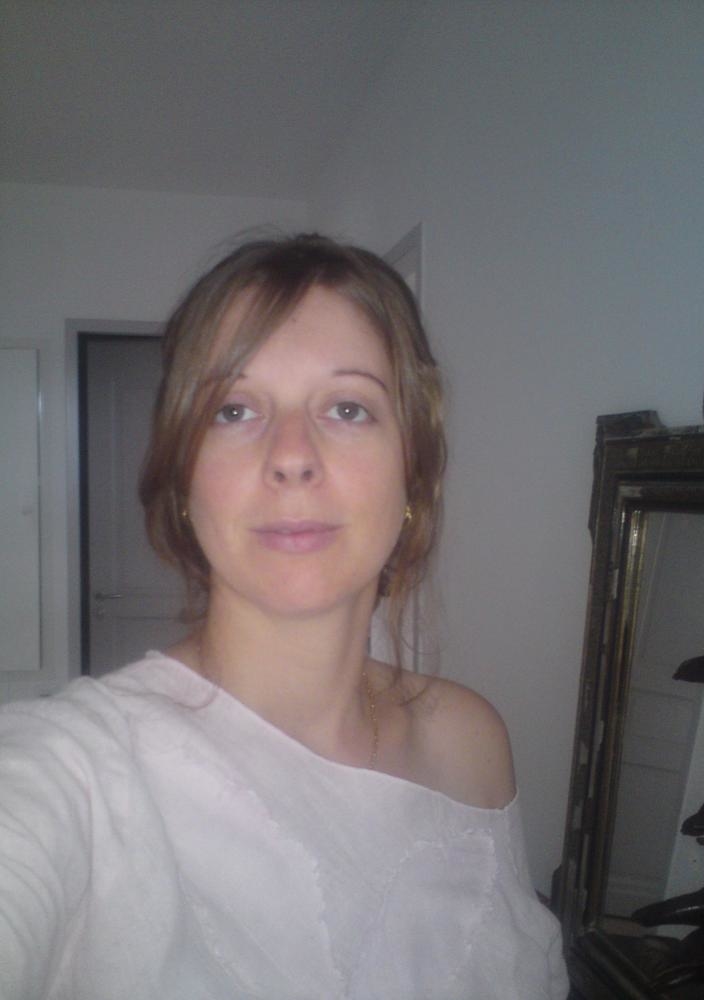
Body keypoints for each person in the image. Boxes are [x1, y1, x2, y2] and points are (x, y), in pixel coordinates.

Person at [0, 234, 568, 999]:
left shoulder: (470, 740)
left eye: (348, 407)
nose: (292, 455)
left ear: (413, 473)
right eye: (234, 410)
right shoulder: (83, 772)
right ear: (182, 480)